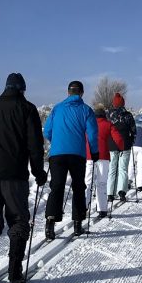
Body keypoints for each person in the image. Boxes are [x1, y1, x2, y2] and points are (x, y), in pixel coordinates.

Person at [0, 73, 47, 283]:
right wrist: (38, 171)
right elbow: (35, 144)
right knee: (18, 220)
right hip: (14, 175)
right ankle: (15, 272)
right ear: (22, 89)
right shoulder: (27, 109)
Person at [43, 80, 98, 238]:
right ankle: (77, 224)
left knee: (57, 186)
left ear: (68, 92)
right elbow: (93, 135)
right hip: (77, 155)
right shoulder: (86, 110)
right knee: (78, 187)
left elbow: (47, 131)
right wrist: (94, 152)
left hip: (57, 154)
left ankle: (50, 223)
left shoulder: (57, 108)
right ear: (81, 93)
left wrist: (58, 142)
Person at [88, 105, 121, 219]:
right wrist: (120, 147)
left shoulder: (88, 123)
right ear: (104, 115)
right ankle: (102, 209)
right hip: (103, 156)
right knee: (101, 183)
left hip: (89, 156)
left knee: (87, 183)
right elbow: (118, 139)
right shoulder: (108, 124)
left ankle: (83, 208)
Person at [106, 93, 136, 202]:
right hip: (125, 145)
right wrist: (132, 140)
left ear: (114, 103)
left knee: (112, 169)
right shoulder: (128, 115)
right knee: (123, 169)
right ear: (123, 103)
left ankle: (110, 193)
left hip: (111, 145)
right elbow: (133, 130)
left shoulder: (108, 114)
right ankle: (122, 192)